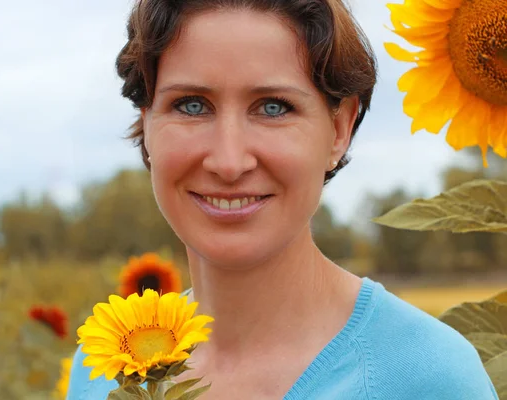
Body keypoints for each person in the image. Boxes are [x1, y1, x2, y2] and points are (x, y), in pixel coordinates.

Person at [67, 0, 499, 399]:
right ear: (147, 124)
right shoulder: (104, 369)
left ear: (340, 129)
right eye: (192, 106)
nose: (229, 161)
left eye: (272, 107)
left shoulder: (428, 379)